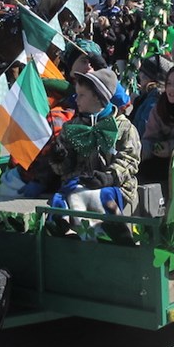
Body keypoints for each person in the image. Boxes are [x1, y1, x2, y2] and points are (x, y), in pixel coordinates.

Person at [46, 67, 141, 233]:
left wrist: (109, 176)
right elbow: (63, 170)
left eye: (82, 95)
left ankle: (110, 232)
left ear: (98, 98)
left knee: (94, 196)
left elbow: (130, 159)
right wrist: (58, 159)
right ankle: (62, 228)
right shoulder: (72, 127)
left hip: (114, 186)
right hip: (79, 183)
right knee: (62, 197)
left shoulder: (123, 127)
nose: (76, 99)